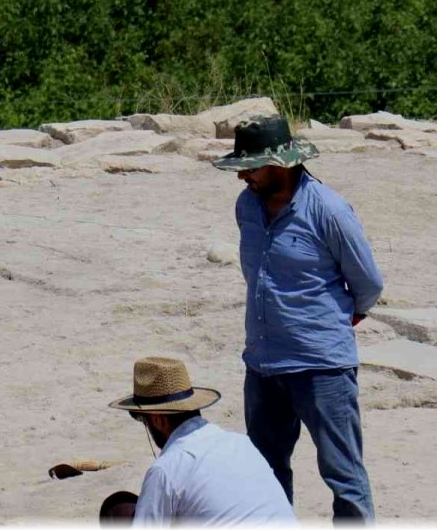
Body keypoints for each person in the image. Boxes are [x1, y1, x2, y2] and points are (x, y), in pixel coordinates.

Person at [212, 115, 383, 522]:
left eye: (251, 167)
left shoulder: (329, 210)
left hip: (321, 366)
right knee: (265, 473)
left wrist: (339, 319)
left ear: (280, 165)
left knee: (344, 476)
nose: (242, 176)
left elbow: (369, 283)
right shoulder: (246, 206)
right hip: (262, 364)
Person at [102, 356, 297, 526]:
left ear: (158, 420)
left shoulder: (167, 469)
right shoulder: (241, 443)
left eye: (143, 420)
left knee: (116, 508)